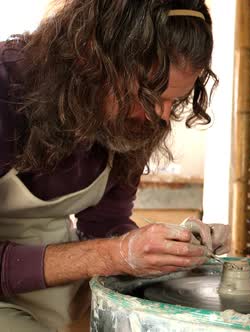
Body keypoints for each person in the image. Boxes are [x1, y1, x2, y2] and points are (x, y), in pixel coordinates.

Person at [0, 1, 230, 330]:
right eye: (149, 96)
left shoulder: (133, 122)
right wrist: (114, 254)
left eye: (174, 101)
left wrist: (170, 247)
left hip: (47, 272)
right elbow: (110, 249)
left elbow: (106, 223)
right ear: (91, 58)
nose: (162, 117)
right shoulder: (5, 88)